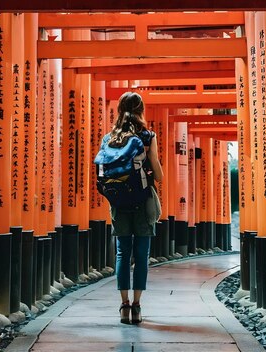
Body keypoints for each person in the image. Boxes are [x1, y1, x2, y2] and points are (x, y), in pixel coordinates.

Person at [107, 92, 163, 324]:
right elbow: (157, 171)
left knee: (122, 253)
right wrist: (154, 174)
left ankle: (124, 305)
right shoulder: (148, 136)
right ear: (141, 110)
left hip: (119, 202)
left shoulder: (110, 137)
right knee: (141, 255)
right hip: (142, 200)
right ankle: (137, 306)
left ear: (119, 109)